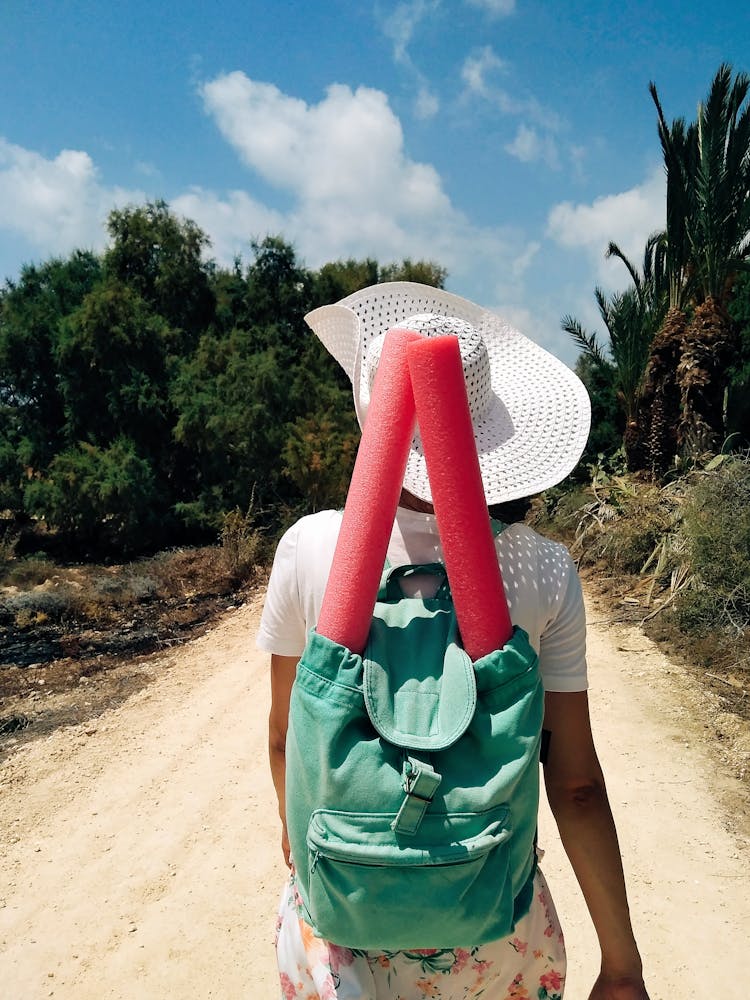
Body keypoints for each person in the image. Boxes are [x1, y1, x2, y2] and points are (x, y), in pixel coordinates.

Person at [257, 282, 650, 1000]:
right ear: (490, 430)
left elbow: (286, 738)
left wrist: (301, 832)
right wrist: (623, 965)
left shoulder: (308, 549)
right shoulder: (543, 571)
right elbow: (576, 784)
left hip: (342, 932)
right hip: (492, 928)